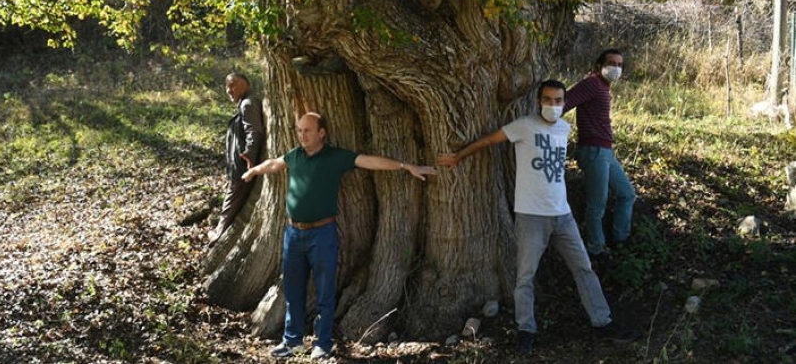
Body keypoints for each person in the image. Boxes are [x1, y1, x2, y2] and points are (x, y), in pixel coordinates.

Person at [437, 80, 639, 354]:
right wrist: (458, 156)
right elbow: (489, 140)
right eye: (547, 99)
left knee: (584, 268)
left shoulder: (565, 128)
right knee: (525, 277)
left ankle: (603, 322)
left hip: (563, 215)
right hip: (531, 216)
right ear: (538, 101)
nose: (553, 105)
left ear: (564, 102)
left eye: (558, 100)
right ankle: (525, 329)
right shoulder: (524, 125)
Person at [242, 112, 437, 360]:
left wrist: (404, 166)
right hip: (293, 234)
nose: (302, 135)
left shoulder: (335, 157)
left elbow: (368, 161)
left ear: (322, 133)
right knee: (293, 290)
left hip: (322, 234)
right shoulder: (295, 155)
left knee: (324, 291)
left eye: (308, 130)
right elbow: (274, 164)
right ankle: (292, 341)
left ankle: (322, 343)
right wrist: (254, 171)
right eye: (299, 130)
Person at [563, 49, 637, 258]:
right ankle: (596, 247)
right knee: (598, 203)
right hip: (593, 150)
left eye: (620, 64)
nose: (616, 68)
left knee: (627, 194)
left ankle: (620, 239)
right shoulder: (592, 83)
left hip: (606, 151)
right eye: (612, 63)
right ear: (599, 65)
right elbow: (564, 102)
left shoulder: (603, 86)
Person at [208, 73, 265, 246]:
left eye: (233, 85)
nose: (229, 90)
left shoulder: (248, 104)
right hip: (238, 165)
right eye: (227, 86)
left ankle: (218, 234)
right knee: (232, 198)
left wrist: (249, 159)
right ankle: (220, 231)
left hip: (243, 166)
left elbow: (254, 132)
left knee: (231, 200)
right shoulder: (245, 103)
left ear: (246, 84)